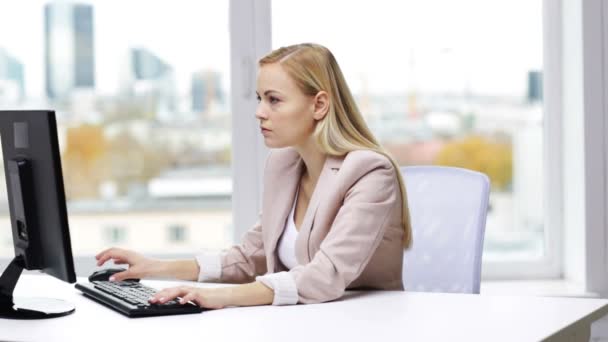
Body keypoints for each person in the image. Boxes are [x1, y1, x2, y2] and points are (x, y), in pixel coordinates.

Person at [95, 43, 412, 309]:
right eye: (260, 98)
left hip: (365, 325)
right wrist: (156, 268)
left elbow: (325, 275)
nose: (260, 111)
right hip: (301, 322)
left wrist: (220, 297)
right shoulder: (284, 164)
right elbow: (250, 257)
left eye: (274, 100)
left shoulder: (369, 172)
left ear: (319, 105)